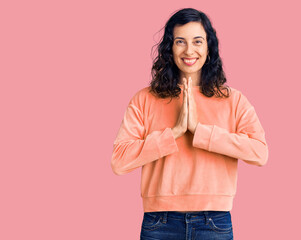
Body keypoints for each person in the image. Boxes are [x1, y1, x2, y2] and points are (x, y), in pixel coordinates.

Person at [111, 7, 268, 240]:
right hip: (159, 221)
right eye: (180, 41)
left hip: (213, 221)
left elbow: (260, 153)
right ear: (169, 48)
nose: (189, 50)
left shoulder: (232, 99)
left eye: (197, 41)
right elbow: (119, 161)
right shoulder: (144, 99)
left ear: (208, 46)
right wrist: (173, 132)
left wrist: (200, 132)